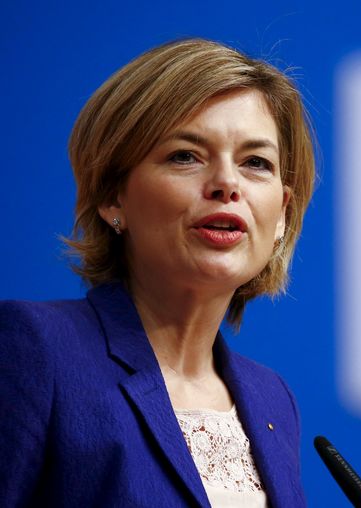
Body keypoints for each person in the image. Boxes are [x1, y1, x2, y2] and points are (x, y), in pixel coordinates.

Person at [0, 38, 316, 507]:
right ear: (113, 196)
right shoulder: (36, 350)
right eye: (185, 155)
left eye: (256, 163)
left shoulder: (273, 400)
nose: (228, 184)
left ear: (283, 215)